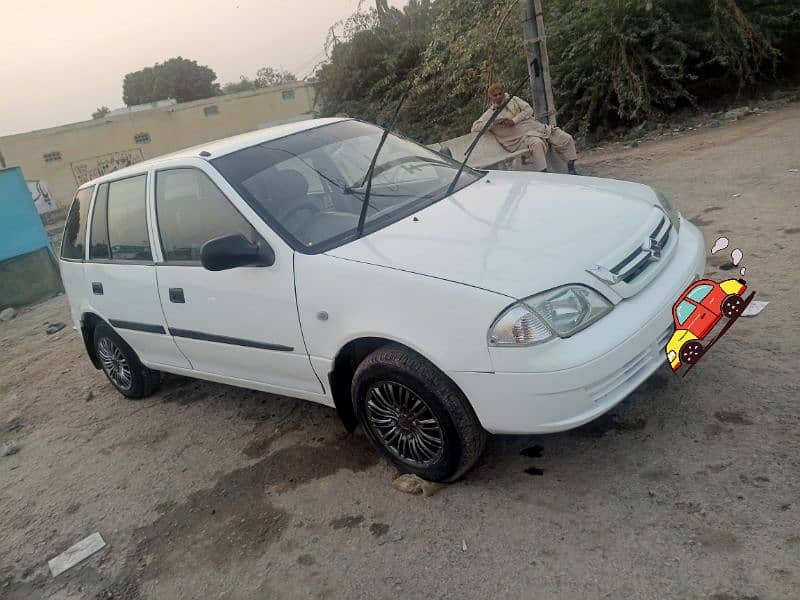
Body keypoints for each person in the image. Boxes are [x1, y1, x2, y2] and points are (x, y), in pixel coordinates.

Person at [471, 82, 578, 174]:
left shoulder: (514, 100)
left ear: (503, 93)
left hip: (536, 128)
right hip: (519, 139)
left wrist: (514, 121)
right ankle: (544, 173)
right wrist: (494, 122)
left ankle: (572, 169)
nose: (498, 97)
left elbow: (528, 110)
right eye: (495, 95)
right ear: (491, 97)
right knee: (537, 144)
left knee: (565, 137)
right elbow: (475, 127)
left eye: (500, 94)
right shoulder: (491, 113)